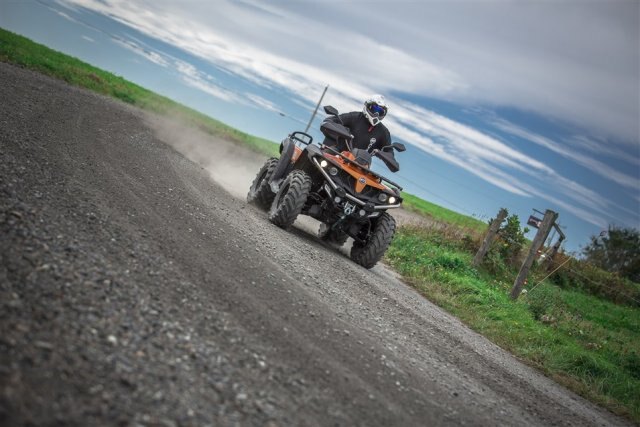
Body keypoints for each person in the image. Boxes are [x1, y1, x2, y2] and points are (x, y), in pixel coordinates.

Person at [322, 94, 393, 157]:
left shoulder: (384, 132)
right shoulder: (354, 117)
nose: (376, 114)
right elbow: (330, 120)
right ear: (367, 105)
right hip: (338, 152)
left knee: (366, 168)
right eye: (374, 109)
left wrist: (388, 157)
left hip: (360, 162)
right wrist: (343, 131)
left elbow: (389, 153)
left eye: (380, 112)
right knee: (323, 155)